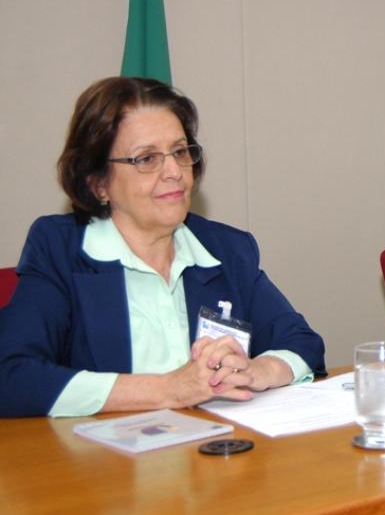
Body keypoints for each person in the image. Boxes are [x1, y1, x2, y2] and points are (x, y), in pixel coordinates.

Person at [0, 77, 326, 417]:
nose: (174, 171)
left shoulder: (226, 249)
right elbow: (11, 374)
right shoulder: (60, 250)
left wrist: (258, 370)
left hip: (214, 458)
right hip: (102, 464)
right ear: (98, 183)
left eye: (180, 151)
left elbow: (302, 343)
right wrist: (167, 389)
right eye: (146, 159)